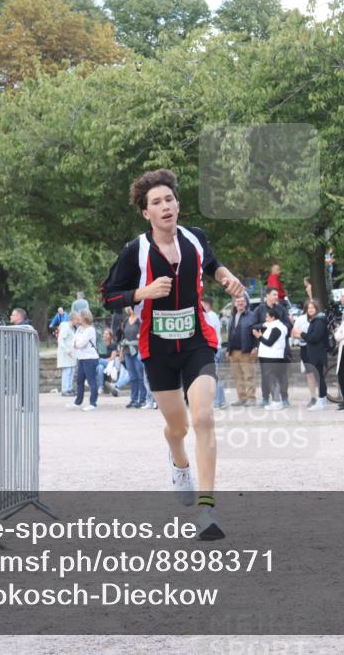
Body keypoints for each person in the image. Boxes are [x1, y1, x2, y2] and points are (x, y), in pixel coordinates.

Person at [100, 168, 244, 541]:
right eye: (156, 203)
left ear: (177, 204)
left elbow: (211, 263)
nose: (165, 207)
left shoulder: (195, 238)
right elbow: (109, 295)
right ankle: (178, 461)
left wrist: (226, 276)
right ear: (145, 213)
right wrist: (142, 293)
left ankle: (207, 509)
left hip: (197, 341)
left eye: (169, 199)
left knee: (204, 417)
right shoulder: (136, 251)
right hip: (158, 348)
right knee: (178, 426)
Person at [252, 287, 292, 406]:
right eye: (274, 294)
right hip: (265, 349)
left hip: (280, 348)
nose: (276, 297)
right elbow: (253, 326)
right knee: (265, 375)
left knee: (282, 374)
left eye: (277, 295)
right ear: (267, 295)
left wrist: (275, 326)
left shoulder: (282, 309)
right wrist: (264, 325)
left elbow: (288, 325)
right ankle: (265, 398)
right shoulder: (259, 309)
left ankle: (284, 397)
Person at [294, 299, 329, 410]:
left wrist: (301, 334)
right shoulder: (315, 321)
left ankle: (322, 400)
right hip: (314, 352)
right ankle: (321, 400)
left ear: (317, 309)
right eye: (309, 308)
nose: (310, 310)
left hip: (318, 353)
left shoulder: (319, 321)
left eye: (312, 308)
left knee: (319, 377)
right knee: (318, 376)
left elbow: (314, 337)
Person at [226, 293, 257, 406]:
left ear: (246, 303)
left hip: (246, 351)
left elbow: (255, 333)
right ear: (234, 304)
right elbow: (230, 334)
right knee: (237, 376)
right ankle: (242, 398)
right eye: (238, 301)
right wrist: (228, 350)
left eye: (242, 301)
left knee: (249, 375)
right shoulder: (232, 317)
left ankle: (251, 398)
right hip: (233, 352)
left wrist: (255, 347)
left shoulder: (252, 316)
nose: (240, 303)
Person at [68, 309, 100, 411]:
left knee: (91, 381)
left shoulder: (90, 330)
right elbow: (74, 341)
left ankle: (93, 403)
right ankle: (78, 402)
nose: (78, 319)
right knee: (79, 380)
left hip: (90, 358)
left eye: (79, 317)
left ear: (84, 318)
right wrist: (75, 345)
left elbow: (80, 344)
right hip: (81, 358)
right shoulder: (79, 329)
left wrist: (76, 344)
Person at [201, 297, 227, 409]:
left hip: (213, 348)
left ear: (207, 305)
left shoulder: (209, 316)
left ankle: (217, 402)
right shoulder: (214, 316)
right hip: (217, 347)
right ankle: (221, 401)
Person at [120, 306, 147, 408]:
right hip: (127, 350)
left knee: (140, 376)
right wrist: (121, 351)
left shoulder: (139, 320)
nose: (130, 308)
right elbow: (123, 337)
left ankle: (142, 399)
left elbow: (143, 335)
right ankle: (133, 399)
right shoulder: (126, 320)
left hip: (137, 350)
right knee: (132, 376)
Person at [57, 313, 77, 396]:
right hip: (66, 353)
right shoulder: (66, 326)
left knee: (71, 371)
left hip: (71, 354)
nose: (78, 321)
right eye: (77, 319)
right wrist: (66, 350)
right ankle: (65, 389)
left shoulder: (72, 328)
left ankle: (69, 388)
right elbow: (61, 339)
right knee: (67, 371)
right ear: (73, 319)